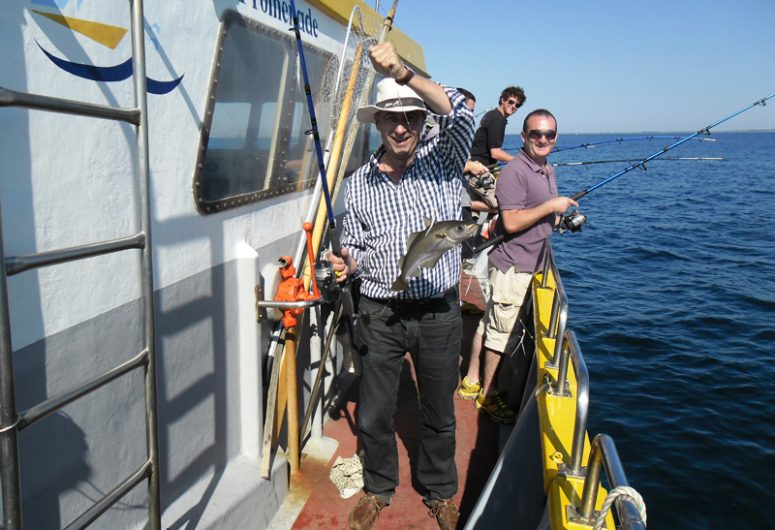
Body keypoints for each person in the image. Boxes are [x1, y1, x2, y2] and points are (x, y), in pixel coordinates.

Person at [326, 41, 475, 530]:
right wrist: (349, 263)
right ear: (377, 124)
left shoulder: (445, 157)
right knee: (372, 413)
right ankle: (378, 488)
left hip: (437, 314)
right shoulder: (358, 184)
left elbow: (459, 113)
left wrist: (403, 73)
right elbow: (357, 245)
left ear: (420, 119)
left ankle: (440, 492)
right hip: (380, 313)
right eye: (391, 118)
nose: (402, 126)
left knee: (439, 412)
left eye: (410, 116)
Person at [475, 109, 577, 423]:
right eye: (536, 134)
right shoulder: (515, 171)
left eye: (549, 134)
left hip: (532, 263)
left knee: (497, 324)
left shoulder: (546, 170)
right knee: (499, 334)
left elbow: (541, 213)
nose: (543, 139)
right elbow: (511, 220)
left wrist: (558, 218)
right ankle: (487, 395)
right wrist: (551, 206)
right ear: (524, 136)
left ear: (555, 138)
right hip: (512, 266)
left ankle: (477, 382)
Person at [469, 86, 525, 166]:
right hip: (479, 167)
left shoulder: (492, 114)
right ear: (503, 100)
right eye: (511, 102)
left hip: (473, 162)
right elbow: (495, 153)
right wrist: (522, 163)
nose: (513, 106)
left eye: (517, 105)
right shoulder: (498, 119)